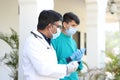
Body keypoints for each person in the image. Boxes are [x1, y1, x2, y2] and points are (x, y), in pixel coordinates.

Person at [22, 10, 80, 80]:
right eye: (58, 27)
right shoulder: (32, 42)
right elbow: (43, 69)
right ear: (49, 26)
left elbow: (53, 67)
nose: (60, 30)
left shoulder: (47, 42)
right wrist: (66, 68)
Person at [51, 12, 85, 80]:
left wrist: (79, 61)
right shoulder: (54, 40)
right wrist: (69, 59)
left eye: (76, 26)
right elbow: (53, 66)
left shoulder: (73, 42)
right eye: (73, 25)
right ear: (64, 24)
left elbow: (79, 68)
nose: (75, 28)